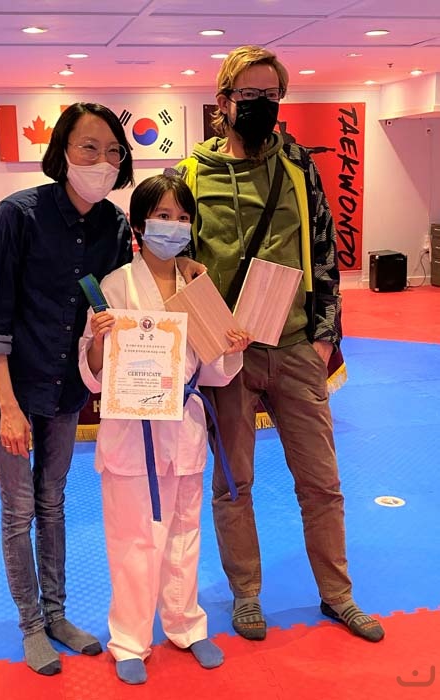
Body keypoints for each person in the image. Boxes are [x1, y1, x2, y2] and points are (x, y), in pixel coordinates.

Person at [176, 45, 385, 644]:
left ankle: (338, 594)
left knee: (322, 482)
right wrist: (201, 340)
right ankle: (246, 594)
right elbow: (178, 260)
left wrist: (323, 341)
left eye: (272, 95)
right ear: (223, 101)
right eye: (250, 95)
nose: (263, 106)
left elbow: (325, 251)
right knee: (233, 483)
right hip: (227, 356)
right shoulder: (192, 175)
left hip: (295, 348)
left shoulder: (297, 167)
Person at [0, 102, 137, 675]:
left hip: (64, 381)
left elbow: (113, 302)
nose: (102, 161)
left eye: (113, 151)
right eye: (89, 147)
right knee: (18, 508)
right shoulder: (18, 215)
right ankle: (31, 625)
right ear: (62, 152)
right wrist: (8, 408)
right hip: (6, 380)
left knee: (53, 500)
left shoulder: (114, 226)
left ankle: (57, 614)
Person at [78, 174, 250, 685]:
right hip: (133, 432)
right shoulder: (114, 286)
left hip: (185, 426)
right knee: (133, 540)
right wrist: (99, 341)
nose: (173, 226)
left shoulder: (199, 287)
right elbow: (93, 375)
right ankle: (130, 639)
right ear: (139, 224)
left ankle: (186, 625)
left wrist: (231, 346)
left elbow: (215, 372)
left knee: (185, 533)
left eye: (182, 217)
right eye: (163, 216)